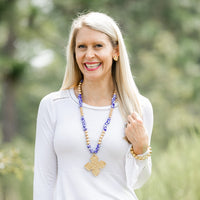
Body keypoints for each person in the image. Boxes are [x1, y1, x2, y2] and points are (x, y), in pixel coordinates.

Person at [33, 11, 153, 200]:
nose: (89, 55)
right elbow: (44, 179)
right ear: (74, 52)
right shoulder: (52, 105)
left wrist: (142, 148)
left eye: (98, 46)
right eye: (82, 47)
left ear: (115, 51)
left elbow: (137, 181)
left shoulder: (138, 107)